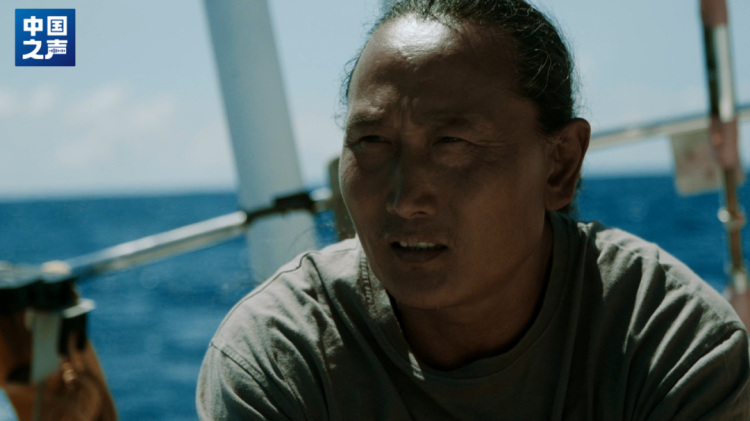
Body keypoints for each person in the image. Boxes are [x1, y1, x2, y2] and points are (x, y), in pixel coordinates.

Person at [197, 0, 750, 419]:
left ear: (559, 165)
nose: (405, 198)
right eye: (371, 142)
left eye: (452, 144)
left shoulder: (672, 340)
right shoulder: (280, 356)